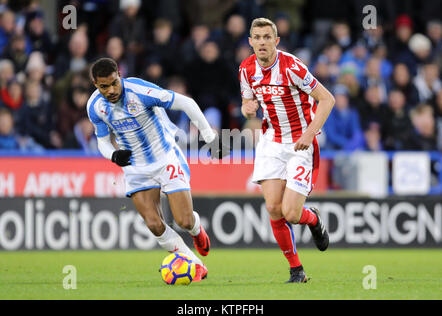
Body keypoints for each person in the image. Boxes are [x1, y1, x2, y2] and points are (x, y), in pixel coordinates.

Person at [87, 58, 228, 281]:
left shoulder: (140, 91)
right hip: (135, 166)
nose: (111, 90)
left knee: (183, 221)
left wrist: (211, 138)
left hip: (165, 157)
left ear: (119, 76)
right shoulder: (95, 107)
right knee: (154, 224)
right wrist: (113, 155)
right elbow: (102, 140)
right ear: (95, 84)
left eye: (114, 83)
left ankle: (196, 228)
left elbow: (187, 103)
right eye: (104, 86)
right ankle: (195, 264)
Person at [239, 18, 334, 283]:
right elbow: (248, 100)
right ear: (250, 41)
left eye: (267, 37)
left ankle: (312, 220)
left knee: (291, 213)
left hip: (299, 143)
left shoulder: (292, 66)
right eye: (256, 37)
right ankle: (297, 270)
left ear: (276, 41)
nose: (261, 42)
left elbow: (327, 99)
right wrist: (247, 107)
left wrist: (309, 132)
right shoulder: (246, 69)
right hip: (271, 141)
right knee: (273, 208)